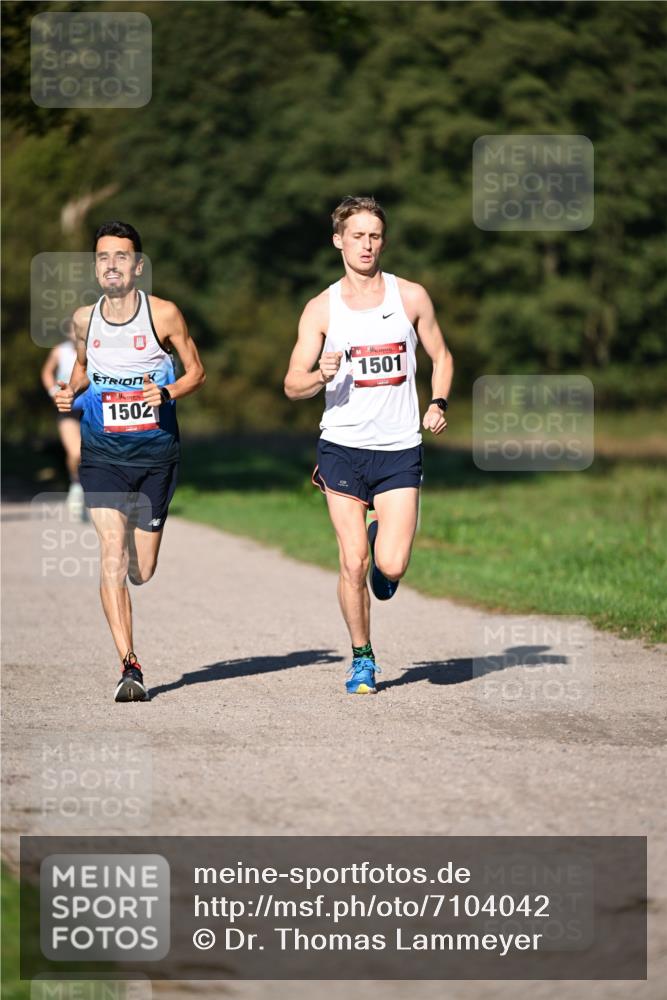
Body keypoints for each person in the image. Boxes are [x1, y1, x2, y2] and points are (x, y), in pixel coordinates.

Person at [284, 196, 453, 695]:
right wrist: (320, 374)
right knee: (352, 560)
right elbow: (292, 384)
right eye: (357, 235)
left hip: (400, 447)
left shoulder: (411, 298)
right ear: (338, 240)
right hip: (341, 447)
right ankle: (362, 658)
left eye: (374, 235)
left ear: (384, 240)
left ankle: (384, 544)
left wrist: (438, 401)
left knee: (391, 565)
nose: (366, 244)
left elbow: (442, 356)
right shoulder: (321, 308)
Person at [54, 221, 206, 702]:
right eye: (103, 257)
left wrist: (167, 390)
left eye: (121, 256)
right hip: (101, 456)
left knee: (142, 570)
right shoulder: (84, 320)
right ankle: (130, 666)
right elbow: (83, 366)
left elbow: (198, 372)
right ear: (95, 266)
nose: (112, 265)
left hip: (157, 458)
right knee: (112, 555)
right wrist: (71, 389)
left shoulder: (163, 316)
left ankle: (141, 564)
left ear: (138, 266)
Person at [41, 319, 85, 518]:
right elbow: (46, 372)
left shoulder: (95, 351)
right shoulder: (61, 350)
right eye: (72, 331)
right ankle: (76, 485)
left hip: (92, 409)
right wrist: (52, 392)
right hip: (68, 410)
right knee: (76, 452)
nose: (76, 335)